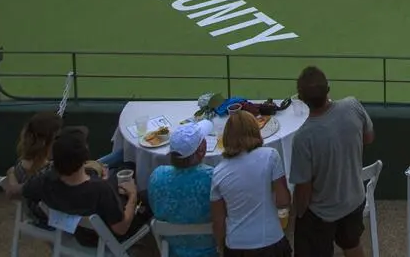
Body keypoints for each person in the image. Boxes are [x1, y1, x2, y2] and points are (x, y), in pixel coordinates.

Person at [290, 66, 374, 257]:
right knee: (352, 244)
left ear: (301, 98)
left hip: (322, 213)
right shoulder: (352, 105)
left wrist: (298, 214)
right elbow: (369, 137)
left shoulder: (303, 137)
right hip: (354, 200)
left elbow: (303, 191)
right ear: (328, 89)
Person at [22, 127, 143, 248]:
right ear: (84, 156)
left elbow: (24, 191)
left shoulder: (44, 181)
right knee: (144, 194)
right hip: (103, 240)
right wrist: (133, 195)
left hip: (78, 232)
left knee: (126, 165)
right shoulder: (101, 190)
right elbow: (121, 229)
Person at [211, 111, 291, 257]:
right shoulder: (270, 156)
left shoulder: (218, 172)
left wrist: (221, 247)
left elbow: (218, 221)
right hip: (270, 241)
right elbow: (283, 201)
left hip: (236, 246)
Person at [147, 122, 217, 257]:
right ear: (202, 150)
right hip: (212, 250)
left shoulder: (157, 175)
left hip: (172, 250)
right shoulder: (213, 177)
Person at [5, 112, 63, 200]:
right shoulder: (53, 171)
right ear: (44, 142)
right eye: (57, 138)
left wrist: (11, 173)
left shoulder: (19, 167)